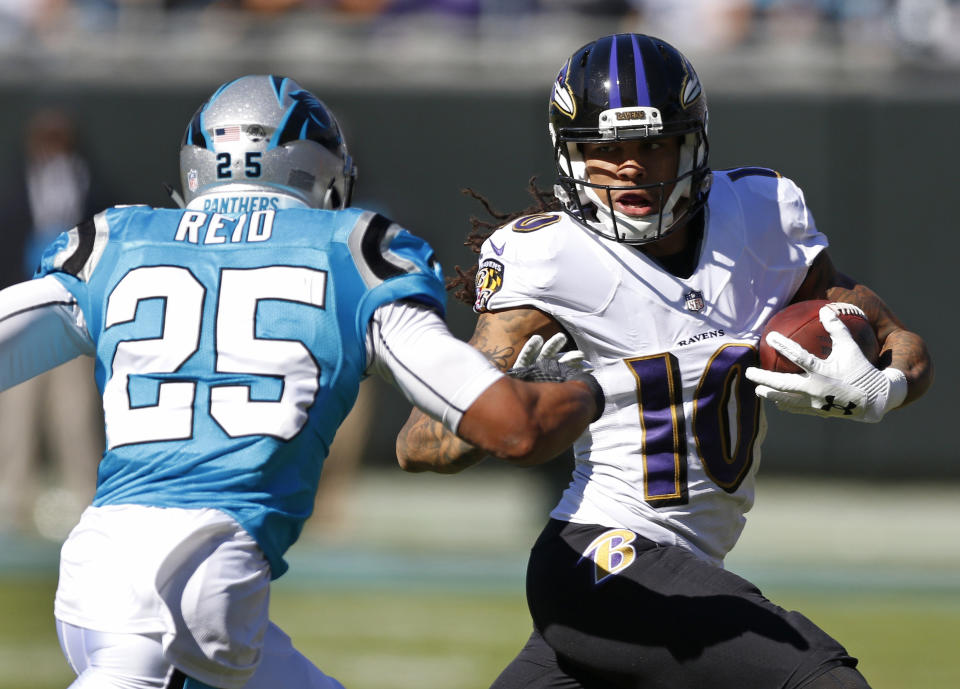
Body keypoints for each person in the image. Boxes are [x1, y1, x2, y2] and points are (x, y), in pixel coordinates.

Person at [0, 74, 603, 689]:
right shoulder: (352, 251)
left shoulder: (118, 243)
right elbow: (513, 428)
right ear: (326, 174)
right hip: (197, 586)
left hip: (98, 573)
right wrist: (588, 386)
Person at [396, 33, 933, 689]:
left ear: (692, 141)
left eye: (651, 144)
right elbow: (418, 444)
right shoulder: (547, 258)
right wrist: (507, 397)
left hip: (670, 573)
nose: (629, 166)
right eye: (606, 149)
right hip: (596, 553)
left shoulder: (762, 217)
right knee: (822, 681)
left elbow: (894, 335)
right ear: (572, 156)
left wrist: (886, 388)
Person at [0, 108, 104, 537]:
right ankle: (10, 503)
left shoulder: (91, 183)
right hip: (24, 311)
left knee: (74, 416)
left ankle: (87, 501)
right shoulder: (14, 184)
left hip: (68, 311)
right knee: (17, 416)